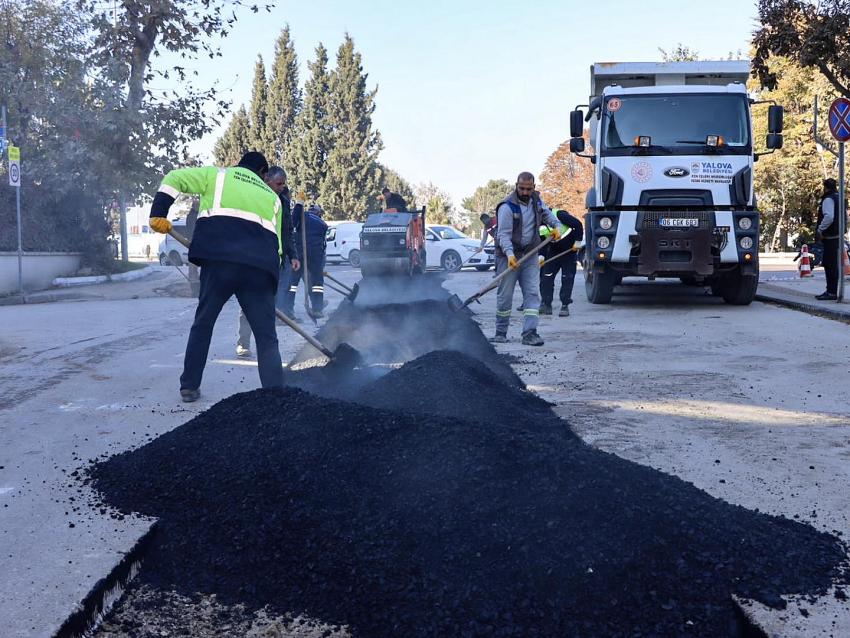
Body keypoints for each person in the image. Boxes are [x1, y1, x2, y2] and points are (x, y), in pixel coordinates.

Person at [149, 151, 284, 402]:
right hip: (258, 270)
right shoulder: (273, 198)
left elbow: (173, 177)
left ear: (240, 165)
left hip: (220, 263)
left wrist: (159, 211)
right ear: (264, 174)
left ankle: (189, 386)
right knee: (266, 336)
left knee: (204, 323)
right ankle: (276, 394)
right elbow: (277, 247)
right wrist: (269, 285)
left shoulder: (218, 176)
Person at [492, 172, 563, 346]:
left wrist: (557, 227)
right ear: (516, 185)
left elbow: (549, 216)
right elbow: (503, 235)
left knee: (532, 294)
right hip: (508, 256)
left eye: (528, 189)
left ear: (534, 187)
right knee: (505, 295)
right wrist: (509, 255)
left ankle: (530, 333)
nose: (524, 192)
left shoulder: (537, 202)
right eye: (521, 188)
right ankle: (500, 332)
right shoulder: (507, 207)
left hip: (530, 254)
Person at [236, 166, 300, 357]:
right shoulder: (252, 196)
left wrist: (293, 255)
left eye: (283, 185)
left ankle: (267, 347)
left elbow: (287, 231)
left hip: (273, 260)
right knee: (247, 301)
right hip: (252, 258)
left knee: (268, 304)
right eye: (279, 184)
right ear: (267, 180)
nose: (281, 187)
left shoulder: (283, 201)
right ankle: (243, 343)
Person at [283, 202, 328, 318]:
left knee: (293, 282)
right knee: (317, 282)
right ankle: (317, 308)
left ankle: (287, 310)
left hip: (300, 253)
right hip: (315, 256)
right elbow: (323, 245)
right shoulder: (323, 223)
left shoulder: (304, 215)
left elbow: (292, 222)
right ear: (319, 213)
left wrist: (298, 205)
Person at [539, 208, 583, 317]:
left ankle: (565, 304)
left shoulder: (559, 215)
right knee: (546, 278)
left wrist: (577, 241)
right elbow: (542, 242)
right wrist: (541, 256)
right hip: (553, 252)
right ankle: (546, 304)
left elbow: (577, 224)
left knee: (567, 278)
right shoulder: (537, 223)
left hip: (569, 252)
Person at [816, 178, 841, 301]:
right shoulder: (839, 197)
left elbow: (829, 216)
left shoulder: (828, 199)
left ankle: (831, 292)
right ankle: (832, 290)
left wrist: (820, 229)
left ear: (825, 187)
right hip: (838, 235)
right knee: (833, 264)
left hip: (830, 236)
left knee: (829, 264)